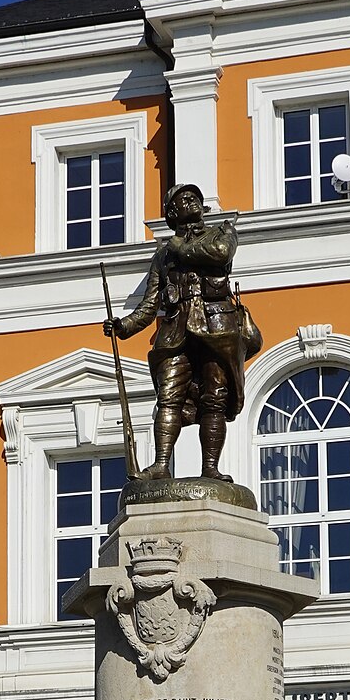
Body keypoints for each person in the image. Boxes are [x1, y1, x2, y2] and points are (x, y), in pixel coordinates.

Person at [104, 183, 261, 481]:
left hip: (217, 327)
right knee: (169, 397)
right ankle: (161, 465)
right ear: (172, 213)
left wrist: (180, 247)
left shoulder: (222, 233)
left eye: (194, 198)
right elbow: (150, 304)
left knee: (215, 398)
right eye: (184, 200)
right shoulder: (162, 257)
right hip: (177, 333)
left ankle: (210, 468)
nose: (192, 202)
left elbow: (220, 253)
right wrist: (124, 326)